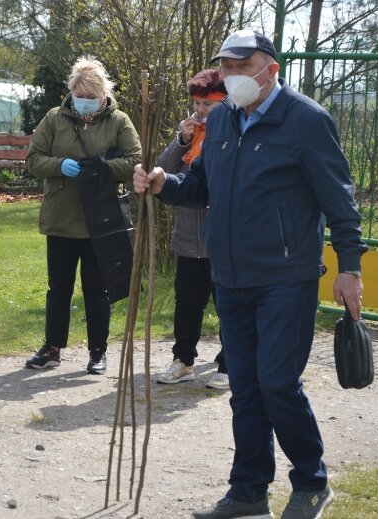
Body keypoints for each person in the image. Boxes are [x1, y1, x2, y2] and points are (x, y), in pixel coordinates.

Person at [134, 30, 367, 519]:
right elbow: (200, 185)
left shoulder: (305, 120)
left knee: (277, 381)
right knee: (245, 386)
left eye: (244, 66)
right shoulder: (219, 121)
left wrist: (350, 268)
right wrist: (163, 183)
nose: (234, 76)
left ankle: (311, 482)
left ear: (272, 69)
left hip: (287, 275)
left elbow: (339, 200)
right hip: (231, 277)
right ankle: (248, 491)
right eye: (228, 68)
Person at [24, 56, 141, 375]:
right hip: (61, 218)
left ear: (103, 95)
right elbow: (33, 160)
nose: (85, 102)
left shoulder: (119, 121)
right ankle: (52, 348)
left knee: (97, 289)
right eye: (80, 96)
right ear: (71, 92)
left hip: (101, 220)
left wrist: (104, 169)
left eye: (92, 97)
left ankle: (98, 351)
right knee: (58, 289)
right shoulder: (53, 118)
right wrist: (59, 165)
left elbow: (135, 161)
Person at [156, 69, 228, 390]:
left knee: (228, 305)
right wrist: (181, 140)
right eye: (197, 104)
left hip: (222, 240)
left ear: (225, 103)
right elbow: (165, 172)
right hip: (188, 237)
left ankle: (230, 364)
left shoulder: (232, 135)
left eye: (208, 105)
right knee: (186, 302)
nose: (200, 111)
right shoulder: (189, 134)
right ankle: (183, 360)